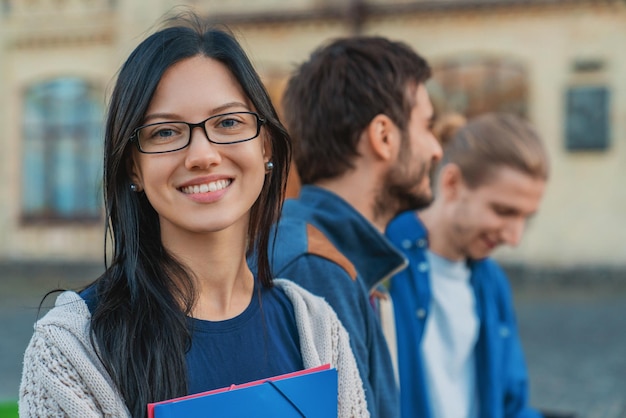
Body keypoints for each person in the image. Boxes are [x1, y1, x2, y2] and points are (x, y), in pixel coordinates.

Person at [18, 15, 367, 418]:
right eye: (165, 132)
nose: (203, 155)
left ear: (266, 146)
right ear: (133, 168)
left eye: (229, 122)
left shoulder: (317, 328)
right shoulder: (76, 350)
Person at [268, 36, 443, 417]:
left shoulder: (328, 250)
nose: (436, 149)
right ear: (383, 137)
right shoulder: (315, 267)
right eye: (427, 126)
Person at [386, 112, 549, 418]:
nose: (514, 237)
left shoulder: (492, 281)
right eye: (503, 211)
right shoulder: (382, 264)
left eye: (526, 218)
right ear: (452, 183)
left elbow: (512, 404)